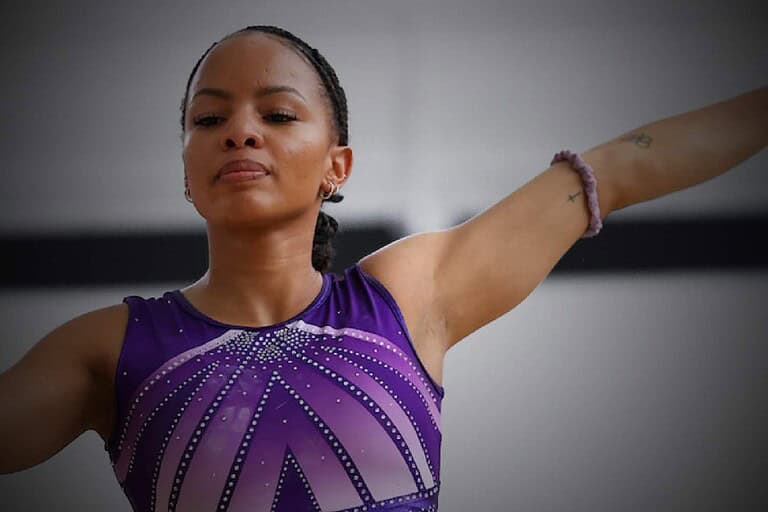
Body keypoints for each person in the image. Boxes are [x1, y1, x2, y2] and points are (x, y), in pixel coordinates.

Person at [0, 24, 765, 512]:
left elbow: (622, 167)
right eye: (210, 118)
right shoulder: (109, 348)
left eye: (277, 113)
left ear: (338, 166)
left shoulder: (407, 298)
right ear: (187, 170)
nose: (240, 132)